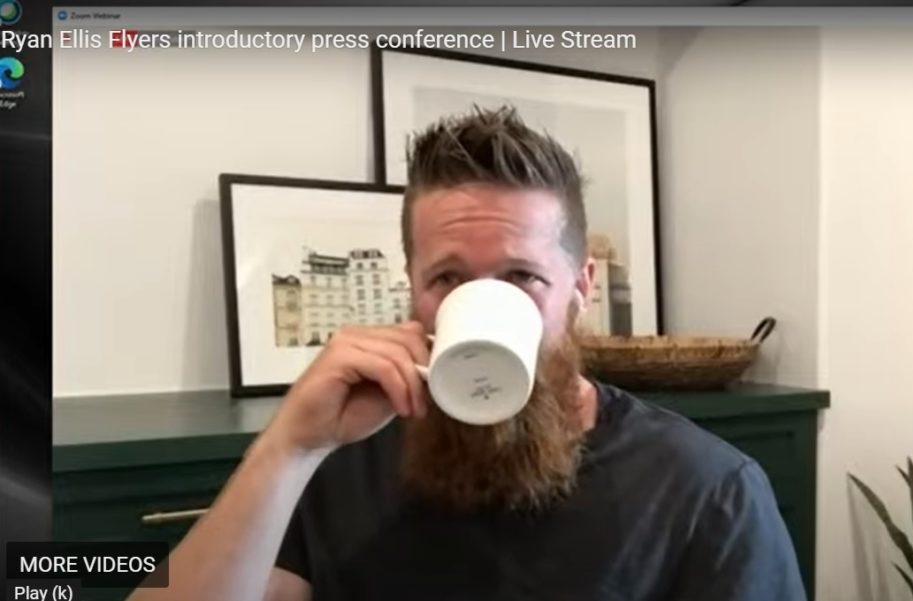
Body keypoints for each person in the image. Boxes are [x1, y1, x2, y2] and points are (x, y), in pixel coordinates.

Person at [127, 106, 805, 601]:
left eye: (522, 277)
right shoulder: (342, 455)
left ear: (581, 287)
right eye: (448, 278)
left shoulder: (706, 490)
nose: (482, 305)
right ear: (413, 287)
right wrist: (288, 447)